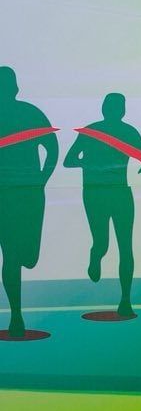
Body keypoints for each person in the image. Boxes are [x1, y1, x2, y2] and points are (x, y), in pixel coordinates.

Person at [64, 92, 141, 318]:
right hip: (96, 193)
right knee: (102, 243)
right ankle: (96, 256)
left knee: (125, 247)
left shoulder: (128, 132)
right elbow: (68, 160)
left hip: (119, 192)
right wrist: (90, 164)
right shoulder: (91, 132)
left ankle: (125, 301)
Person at [0, 66, 59, 340]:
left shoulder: (30, 113)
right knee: (11, 255)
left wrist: (42, 179)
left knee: (29, 257)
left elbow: (52, 147)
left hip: (29, 193)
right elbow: (53, 148)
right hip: (7, 194)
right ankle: (16, 315)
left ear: (15, 89)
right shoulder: (29, 113)